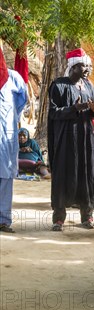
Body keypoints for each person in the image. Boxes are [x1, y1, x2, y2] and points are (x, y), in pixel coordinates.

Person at [47, 48, 94, 231]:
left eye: (88, 66)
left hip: (87, 138)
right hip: (66, 139)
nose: (87, 69)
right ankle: (59, 218)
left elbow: (92, 115)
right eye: (82, 65)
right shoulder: (58, 85)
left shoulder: (90, 86)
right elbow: (54, 113)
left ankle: (87, 216)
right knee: (64, 174)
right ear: (72, 67)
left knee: (87, 173)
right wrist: (75, 108)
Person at [0, 49, 28, 233]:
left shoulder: (12, 77)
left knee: (5, 177)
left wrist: (12, 117)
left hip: (6, 136)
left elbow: (22, 100)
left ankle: (3, 219)